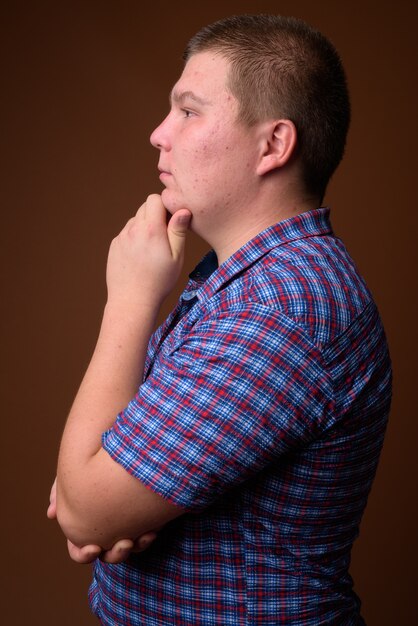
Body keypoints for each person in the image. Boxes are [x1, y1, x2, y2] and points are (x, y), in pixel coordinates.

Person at [48, 14, 392, 625]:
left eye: (188, 111)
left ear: (272, 146)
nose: (159, 134)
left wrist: (127, 301)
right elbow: (100, 476)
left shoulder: (279, 307)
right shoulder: (234, 283)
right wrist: (101, 501)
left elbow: (87, 507)